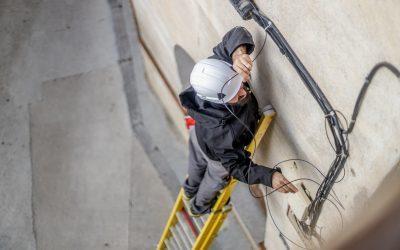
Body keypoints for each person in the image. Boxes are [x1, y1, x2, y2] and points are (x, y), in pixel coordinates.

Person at [179, 26, 298, 216]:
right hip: (217, 156)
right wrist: (269, 176)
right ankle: (198, 206)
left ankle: (189, 190)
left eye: (239, 83)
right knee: (214, 179)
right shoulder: (221, 134)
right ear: (218, 101)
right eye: (234, 95)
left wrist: (237, 54)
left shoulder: (214, 72)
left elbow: (235, 35)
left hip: (197, 135)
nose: (244, 92)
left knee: (195, 166)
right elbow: (235, 166)